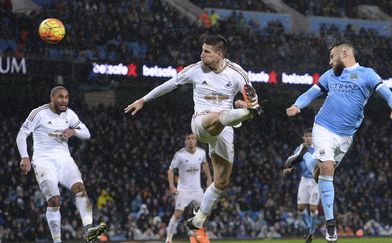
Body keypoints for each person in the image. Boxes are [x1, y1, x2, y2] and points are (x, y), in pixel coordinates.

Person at [125, 35, 262, 240]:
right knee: (219, 117)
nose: (202, 54)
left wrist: (245, 105)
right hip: (201, 122)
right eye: (202, 49)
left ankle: (198, 221)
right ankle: (238, 117)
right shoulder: (196, 69)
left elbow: (251, 98)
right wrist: (143, 99)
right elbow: (170, 84)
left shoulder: (237, 73)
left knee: (221, 182)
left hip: (224, 130)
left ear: (219, 54)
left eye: (207, 51)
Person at [286, 41, 392, 242]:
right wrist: (297, 105)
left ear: (345, 53)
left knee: (317, 175)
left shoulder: (367, 74)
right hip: (323, 127)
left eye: (332, 56)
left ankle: (306, 155)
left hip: (346, 136)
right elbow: (311, 93)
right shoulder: (329, 75)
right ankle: (330, 225)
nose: (329, 61)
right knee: (328, 169)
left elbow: (389, 95)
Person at [16, 86, 107, 243]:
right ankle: (57, 241)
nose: (64, 100)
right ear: (52, 98)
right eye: (60, 97)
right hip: (43, 161)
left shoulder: (69, 114)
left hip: (64, 159)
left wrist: (75, 131)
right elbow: (21, 135)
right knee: (55, 200)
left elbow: (87, 133)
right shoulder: (39, 113)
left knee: (80, 189)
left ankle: (89, 229)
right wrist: (25, 157)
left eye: (66, 97)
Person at [165, 133, 212, 243]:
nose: (191, 140)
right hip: (183, 190)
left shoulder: (201, 152)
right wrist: (171, 185)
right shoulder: (179, 155)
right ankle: (168, 239)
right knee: (177, 215)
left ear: (196, 140)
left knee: (203, 212)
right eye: (188, 138)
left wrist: (209, 178)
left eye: (193, 138)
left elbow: (205, 164)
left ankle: (194, 231)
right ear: (185, 141)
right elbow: (170, 170)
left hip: (197, 190)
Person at [282, 128, 319, 243]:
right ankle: (308, 228)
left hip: (316, 181)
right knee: (300, 208)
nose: (308, 137)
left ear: (313, 137)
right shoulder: (300, 148)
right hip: (304, 180)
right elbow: (294, 159)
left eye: (310, 135)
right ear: (303, 137)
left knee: (313, 209)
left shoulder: (318, 148)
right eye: (306, 136)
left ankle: (311, 232)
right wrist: (288, 168)